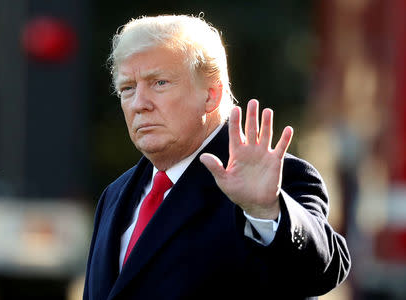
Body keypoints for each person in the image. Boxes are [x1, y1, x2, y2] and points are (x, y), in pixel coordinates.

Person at [83, 15, 351, 300]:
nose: (139, 104)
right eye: (128, 88)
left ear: (211, 95)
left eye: (159, 83)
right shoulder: (114, 195)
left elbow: (320, 272)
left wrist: (265, 212)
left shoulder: (271, 183)